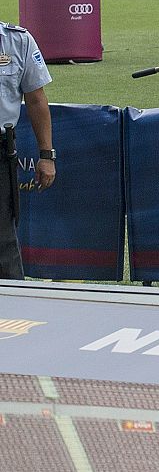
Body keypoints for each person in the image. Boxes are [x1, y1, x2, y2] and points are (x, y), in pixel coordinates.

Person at [0, 22, 54, 280]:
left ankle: (14, 309)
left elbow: (36, 99)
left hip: (0, 151)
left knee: (3, 240)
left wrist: (46, 156)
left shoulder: (17, 41)